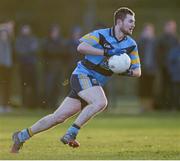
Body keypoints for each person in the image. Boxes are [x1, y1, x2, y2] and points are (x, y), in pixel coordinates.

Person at [11, 7, 141, 153]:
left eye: (133, 22)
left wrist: (122, 69)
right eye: (130, 21)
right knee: (101, 102)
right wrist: (106, 52)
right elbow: (81, 47)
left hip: (93, 84)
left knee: (58, 117)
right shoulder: (101, 34)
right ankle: (71, 133)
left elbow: (137, 71)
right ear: (119, 22)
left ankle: (21, 136)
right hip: (82, 76)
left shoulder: (131, 44)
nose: (133, 24)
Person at [15, 24, 40, 108]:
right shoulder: (19, 40)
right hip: (23, 66)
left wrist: (26, 51)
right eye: (24, 29)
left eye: (27, 28)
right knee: (24, 86)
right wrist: (28, 51)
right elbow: (19, 51)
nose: (26, 30)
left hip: (32, 65)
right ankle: (24, 104)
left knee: (33, 86)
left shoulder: (33, 38)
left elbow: (35, 49)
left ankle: (33, 104)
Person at [156, 20, 178, 109]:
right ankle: (164, 105)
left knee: (173, 87)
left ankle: (173, 105)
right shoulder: (161, 39)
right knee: (163, 86)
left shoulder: (176, 39)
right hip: (164, 67)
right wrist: (162, 64)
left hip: (174, 68)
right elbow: (158, 54)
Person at [137, 23, 157, 112]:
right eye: (147, 30)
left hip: (152, 70)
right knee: (142, 88)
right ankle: (142, 106)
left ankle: (149, 107)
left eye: (150, 30)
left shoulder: (155, 42)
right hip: (142, 69)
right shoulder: (140, 42)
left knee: (151, 88)